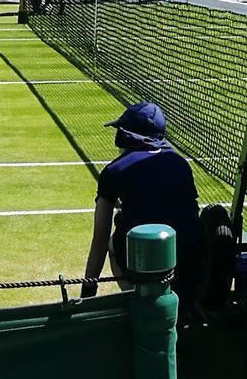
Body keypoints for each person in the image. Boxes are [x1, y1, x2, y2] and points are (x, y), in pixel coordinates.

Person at [81, 102, 206, 312]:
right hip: (191, 260)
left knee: (112, 245)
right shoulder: (180, 163)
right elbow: (192, 216)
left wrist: (86, 295)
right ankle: (187, 303)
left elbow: (99, 241)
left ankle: (140, 305)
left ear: (125, 135)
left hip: (145, 262)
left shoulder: (113, 171)